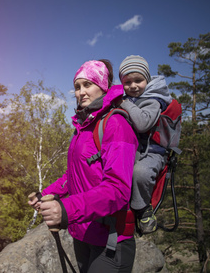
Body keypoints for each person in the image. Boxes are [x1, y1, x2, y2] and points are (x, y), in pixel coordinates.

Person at [28, 59, 139, 273]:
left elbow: (118, 189)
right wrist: (46, 194)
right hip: (83, 234)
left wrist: (66, 210)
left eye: (88, 85)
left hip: (111, 240)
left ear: (103, 86)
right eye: (77, 87)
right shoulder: (83, 127)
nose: (81, 92)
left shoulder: (116, 124)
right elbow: (74, 176)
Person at [118, 55, 173, 234]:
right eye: (127, 82)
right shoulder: (131, 98)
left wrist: (124, 104)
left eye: (138, 80)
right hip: (134, 150)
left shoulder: (153, 100)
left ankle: (142, 209)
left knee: (140, 173)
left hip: (152, 152)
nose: (133, 86)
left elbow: (142, 124)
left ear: (147, 80)